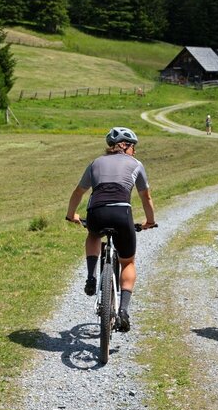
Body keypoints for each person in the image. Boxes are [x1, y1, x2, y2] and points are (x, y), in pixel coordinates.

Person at [66, 127, 156, 332]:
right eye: (133, 147)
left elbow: (79, 192)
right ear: (126, 146)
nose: (135, 151)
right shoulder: (136, 165)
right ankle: (123, 311)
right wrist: (150, 221)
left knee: (93, 233)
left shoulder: (95, 163)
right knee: (128, 262)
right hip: (122, 214)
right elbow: (146, 197)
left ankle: (91, 277)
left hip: (96, 212)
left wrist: (71, 215)